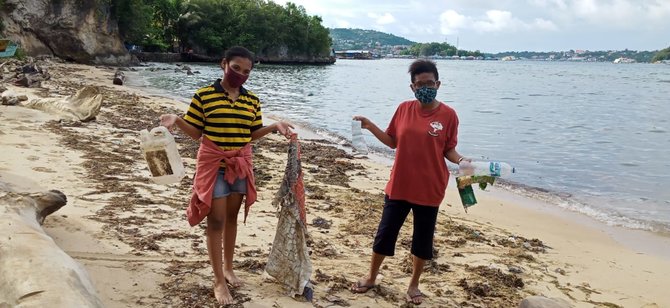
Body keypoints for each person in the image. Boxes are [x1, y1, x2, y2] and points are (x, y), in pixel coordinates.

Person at [159, 46, 293, 305]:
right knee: (216, 221)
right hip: (213, 164)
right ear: (224, 64)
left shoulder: (251, 100)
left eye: (246, 71)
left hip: (240, 164)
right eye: (236, 68)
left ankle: (229, 268)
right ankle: (218, 281)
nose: (240, 74)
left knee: (231, 218)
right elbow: (197, 132)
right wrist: (177, 119)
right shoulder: (204, 96)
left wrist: (274, 127)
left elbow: (251, 133)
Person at [350, 59, 467, 305]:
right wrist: (370, 126)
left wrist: (463, 161)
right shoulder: (404, 109)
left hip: (430, 188)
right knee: (385, 234)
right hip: (400, 185)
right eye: (420, 84)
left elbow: (449, 150)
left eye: (430, 83)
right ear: (412, 87)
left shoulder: (448, 115)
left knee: (422, 240)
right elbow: (393, 141)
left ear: (438, 84)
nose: (426, 87)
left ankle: (414, 285)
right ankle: (371, 276)